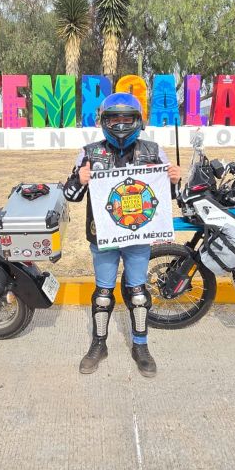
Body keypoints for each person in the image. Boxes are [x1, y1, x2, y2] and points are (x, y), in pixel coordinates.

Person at [62, 93, 181, 378]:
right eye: (113, 118)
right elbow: (70, 195)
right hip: (102, 237)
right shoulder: (89, 153)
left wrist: (175, 180)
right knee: (103, 295)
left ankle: (141, 345)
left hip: (138, 236)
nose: (120, 124)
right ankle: (98, 344)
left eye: (127, 118)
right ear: (103, 121)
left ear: (139, 120)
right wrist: (79, 179)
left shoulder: (154, 151)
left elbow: (171, 196)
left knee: (138, 293)